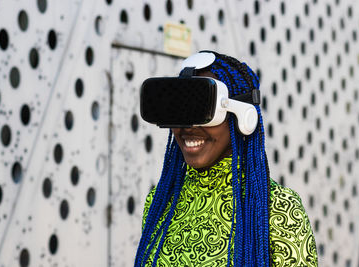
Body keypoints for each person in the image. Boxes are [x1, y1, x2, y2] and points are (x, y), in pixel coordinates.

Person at [135, 51, 318, 267]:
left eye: (203, 110)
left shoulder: (278, 208)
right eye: (180, 110)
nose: (188, 126)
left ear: (242, 117)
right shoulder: (159, 201)